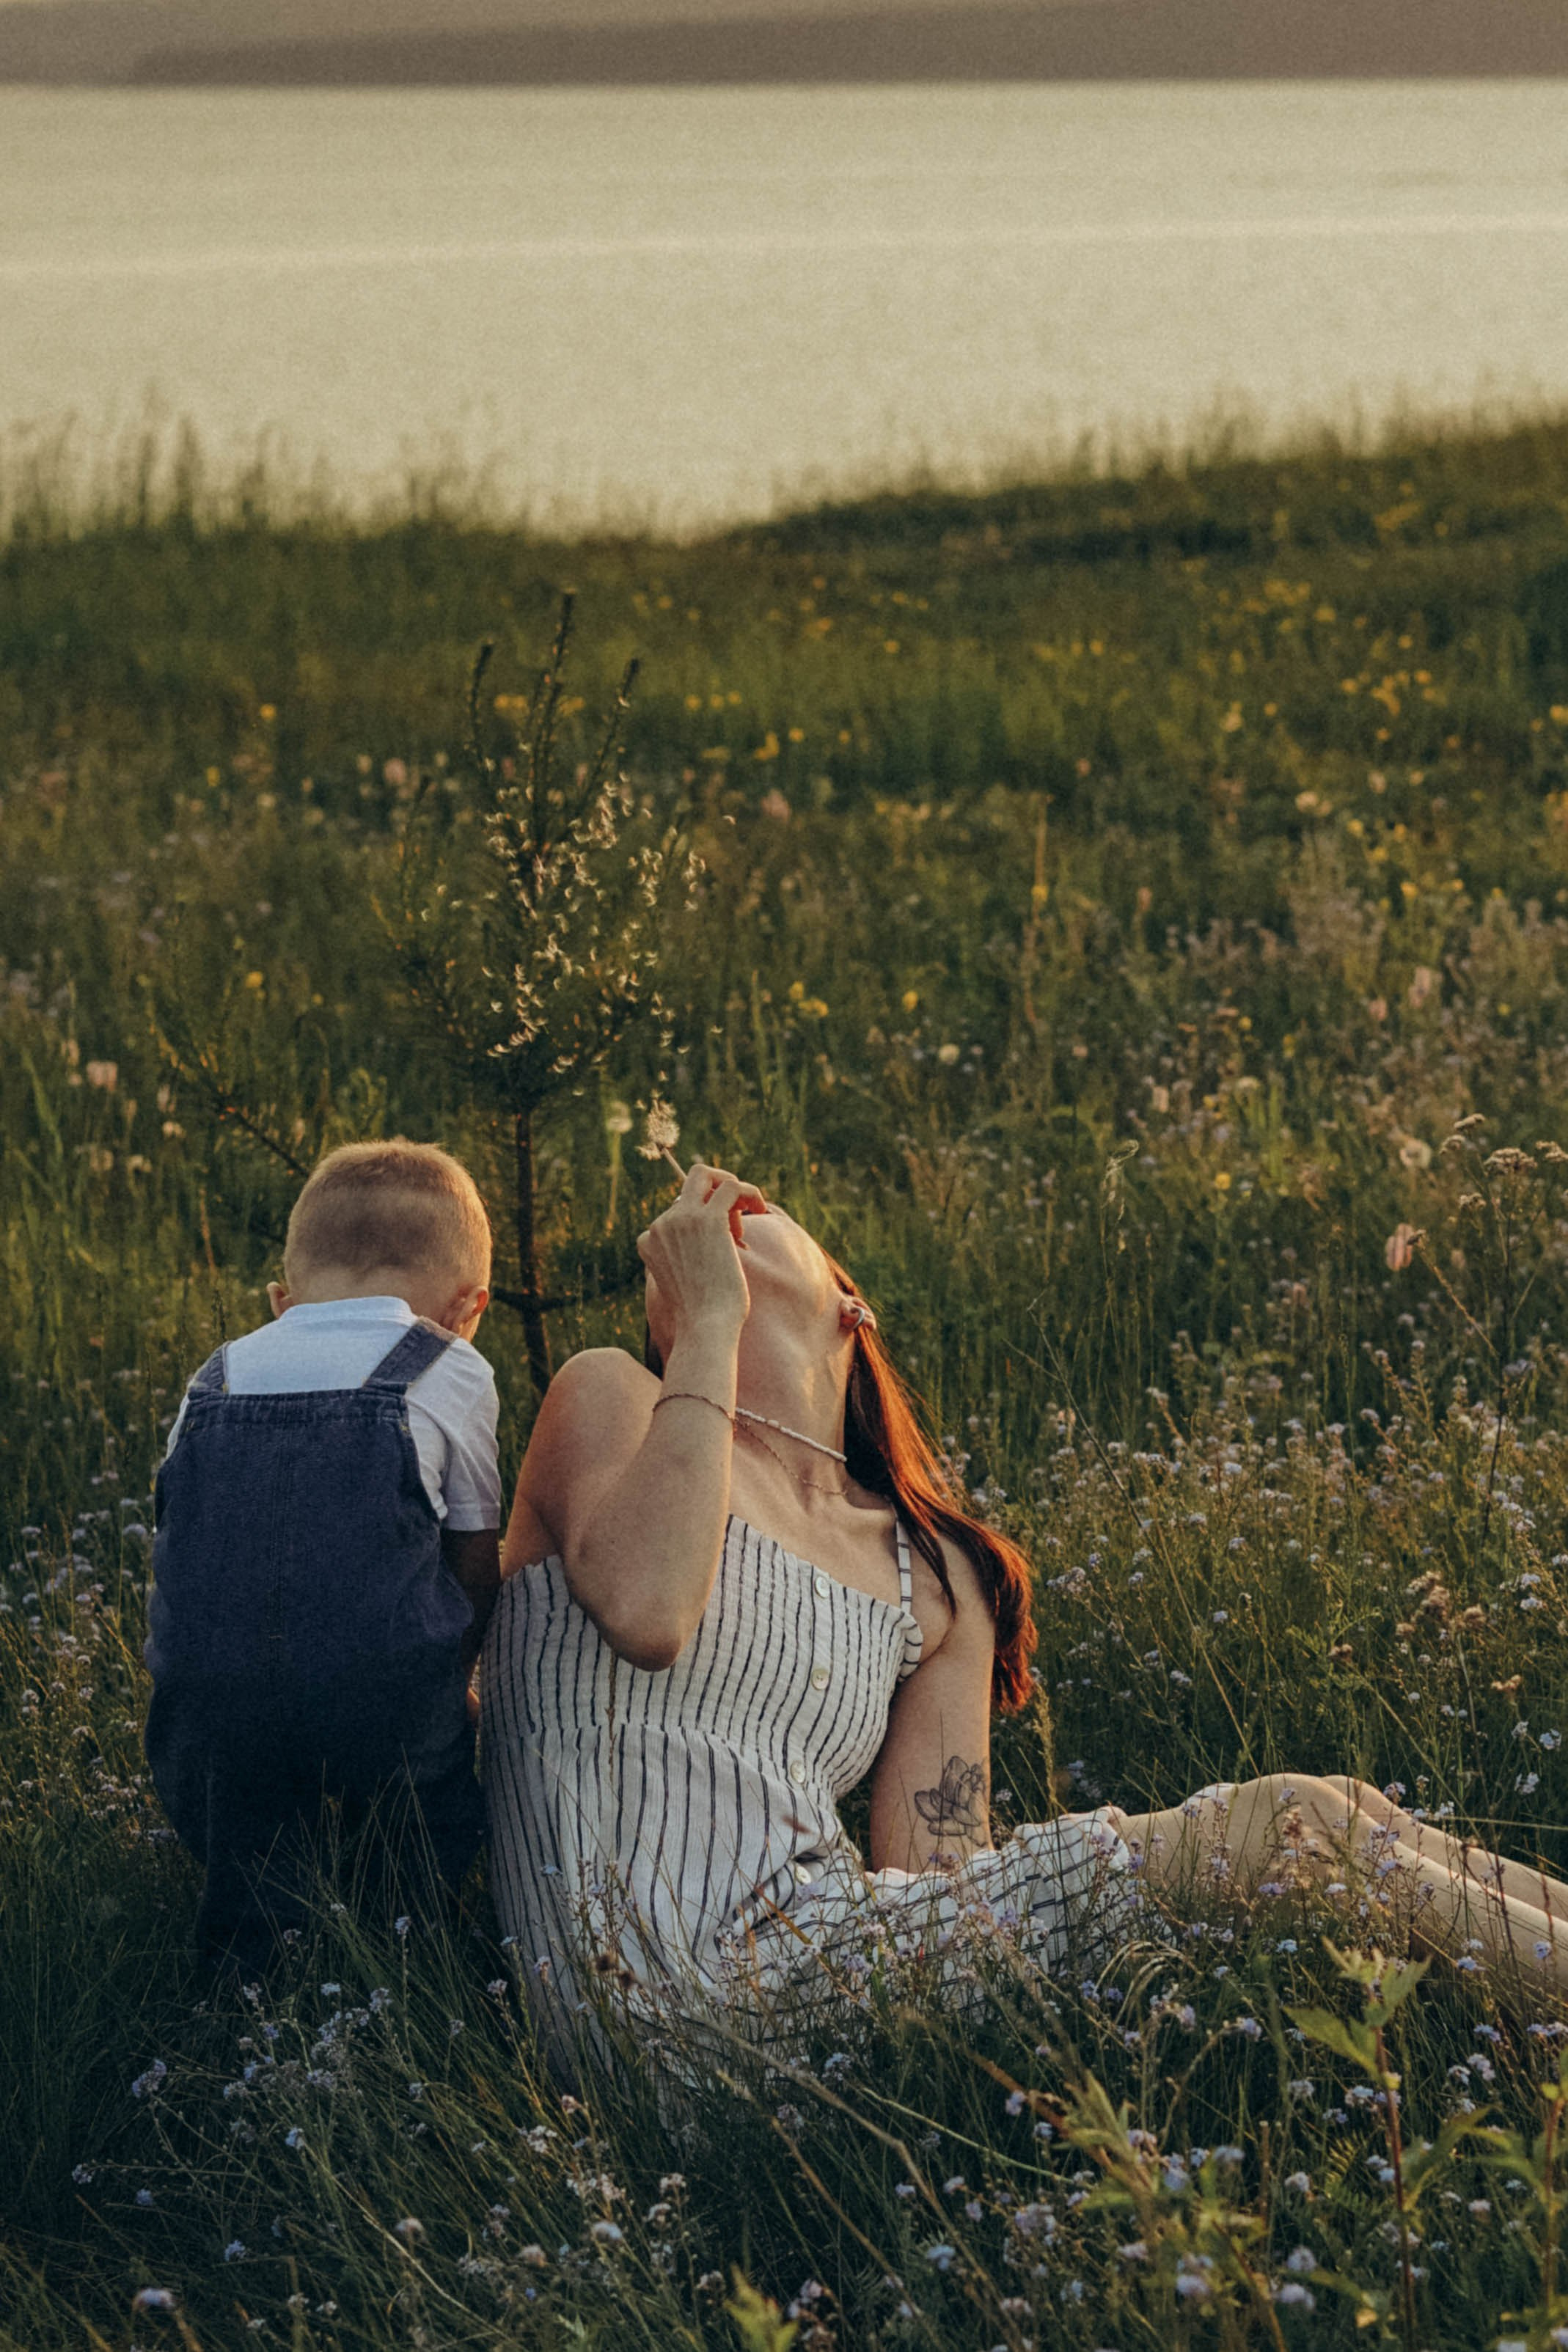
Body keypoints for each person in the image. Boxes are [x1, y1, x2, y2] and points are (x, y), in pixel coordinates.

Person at [482, 1162, 1568, 2070]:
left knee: (1337, 1811)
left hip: (825, 1966)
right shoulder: (619, 1397)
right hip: (660, 1993)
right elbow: (648, 1610)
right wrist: (707, 1322)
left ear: (848, 1307)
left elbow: (942, 1877)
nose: (720, 1194)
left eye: (757, 1211)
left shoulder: (931, 1570)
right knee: (1287, 1822)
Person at [146, 1139, 502, 1971]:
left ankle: (246, 1980)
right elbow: (474, 1556)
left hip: (210, 1694)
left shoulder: (216, 1376)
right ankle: (406, 1952)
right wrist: (456, 1680)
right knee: (427, 1814)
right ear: (468, 1305)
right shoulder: (450, 1368)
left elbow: (180, 1538)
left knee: (248, 1848)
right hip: (379, 1686)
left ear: (281, 1301)